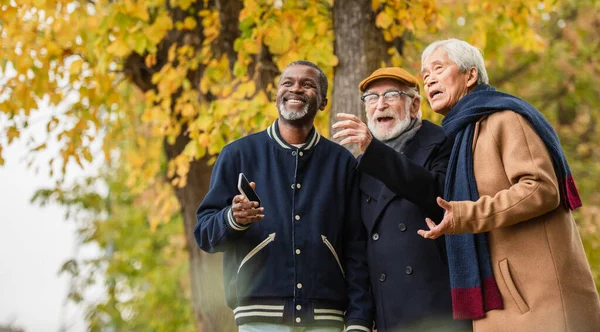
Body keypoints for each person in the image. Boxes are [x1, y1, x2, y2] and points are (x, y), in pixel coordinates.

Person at [417, 38, 600, 331]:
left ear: (471, 75)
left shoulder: (505, 119)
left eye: (438, 68)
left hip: (541, 301)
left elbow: (541, 188)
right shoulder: (460, 137)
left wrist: (466, 215)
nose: (429, 80)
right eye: (425, 75)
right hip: (500, 302)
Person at [194, 60, 373, 332]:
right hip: (258, 319)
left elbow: (356, 248)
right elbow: (204, 234)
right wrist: (233, 219)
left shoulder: (342, 163)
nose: (296, 89)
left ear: (323, 101)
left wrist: (359, 320)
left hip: (326, 319)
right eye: (287, 83)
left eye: (308, 84)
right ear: (277, 95)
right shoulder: (238, 155)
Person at [332, 67, 468, 331]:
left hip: (440, 311)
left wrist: (374, 151)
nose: (380, 105)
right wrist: (359, 318)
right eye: (371, 98)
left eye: (391, 95)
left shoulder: (443, 142)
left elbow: (436, 196)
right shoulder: (361, 166)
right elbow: (357, 248)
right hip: (388, 316)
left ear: (415, 105)